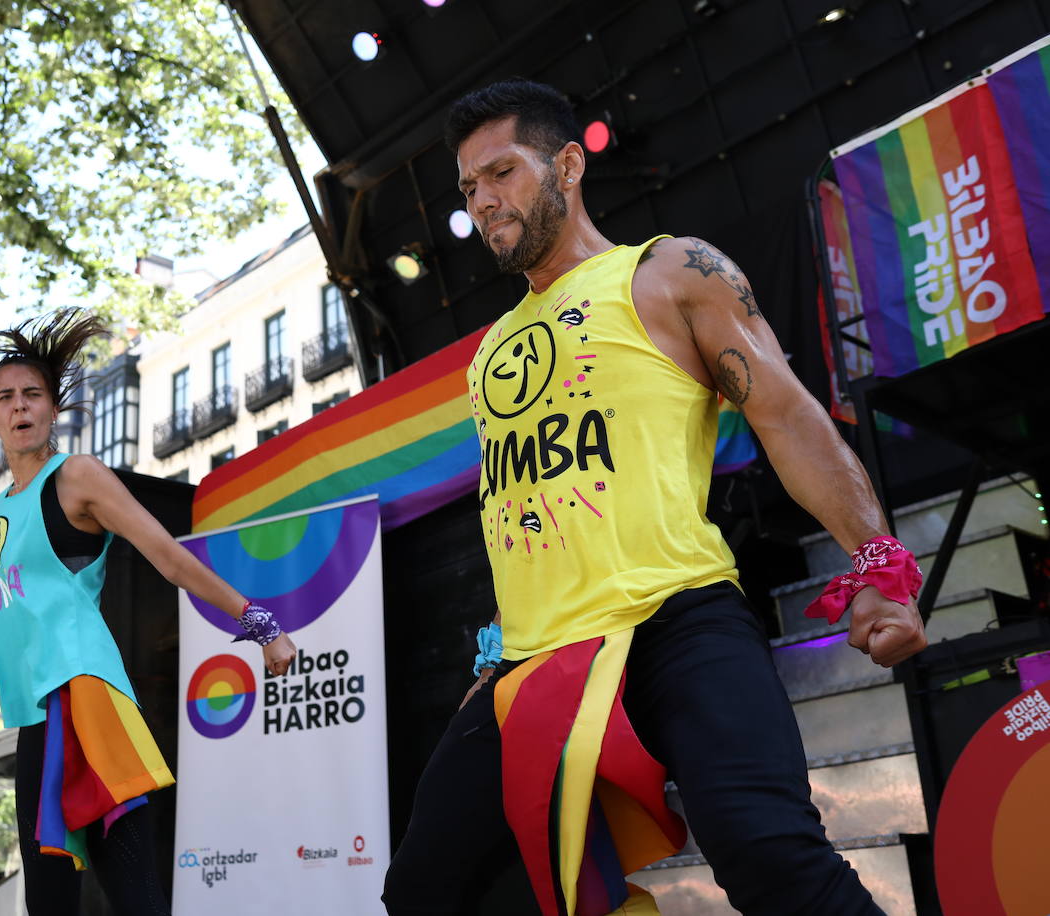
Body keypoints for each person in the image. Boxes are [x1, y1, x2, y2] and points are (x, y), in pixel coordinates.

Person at [381, 80, 927, 916]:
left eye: (501, 173)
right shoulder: (489, 352)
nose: (483, 201)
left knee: (769, 856)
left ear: (567, 164)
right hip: (534, 664)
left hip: (677, 622)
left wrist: (878, 563)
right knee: (425, 889)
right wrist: (494, 653)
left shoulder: (670, 272)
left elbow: (787, 415)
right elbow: (518, 508)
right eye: (468, 188)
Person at [0, 308, 297, 915]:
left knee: (134, 898)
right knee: (48, 903)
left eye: (33, 395)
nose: (21, 407)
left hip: (86, 700)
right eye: (7, 398)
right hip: (37, 716)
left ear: (52, 409)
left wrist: (260, 624)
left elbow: (167, 556)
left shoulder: (75, 477)